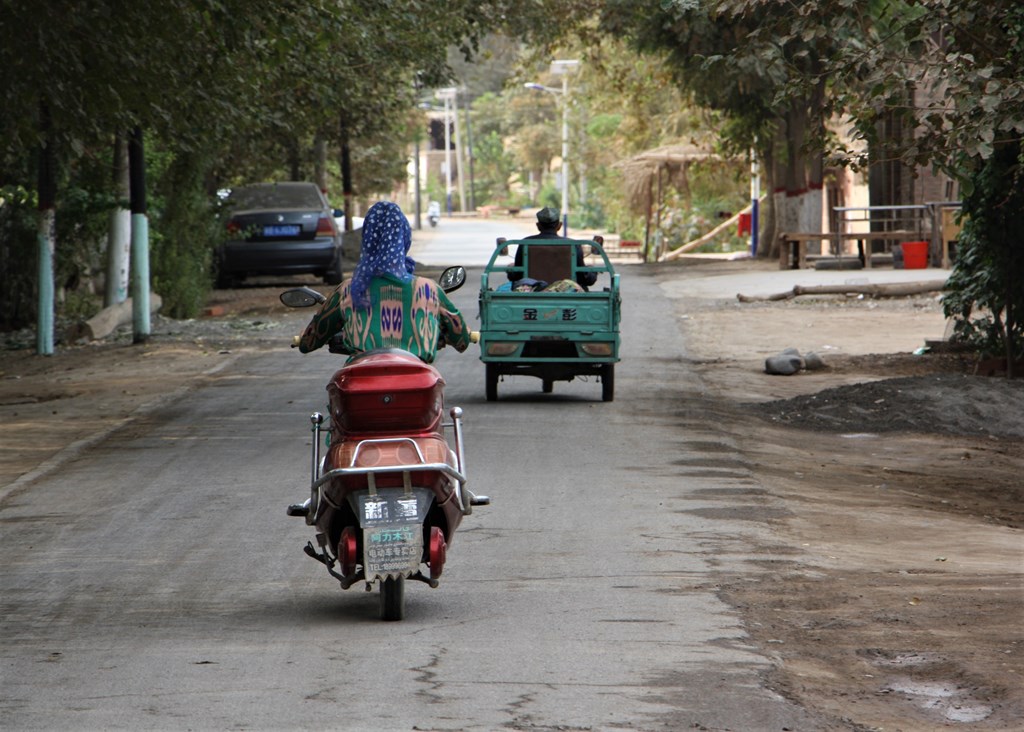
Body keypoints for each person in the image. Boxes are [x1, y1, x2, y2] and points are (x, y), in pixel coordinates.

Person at [298, 201, 471, 363]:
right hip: (416, 380)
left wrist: (306, 339)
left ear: (367, 237)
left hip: (361, 379)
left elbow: (309, 342)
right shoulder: (428, 289)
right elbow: (462, 340)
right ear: (404, 235)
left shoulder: (348, 291)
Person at [507, 207, 598, 291]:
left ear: (538, 226)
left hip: (532, 295)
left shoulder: (525, 243)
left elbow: (516, 277)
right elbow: (584, 278)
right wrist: (592, 271)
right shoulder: (573, 245)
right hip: (567, 297)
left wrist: (510, 268)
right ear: (559, 225)